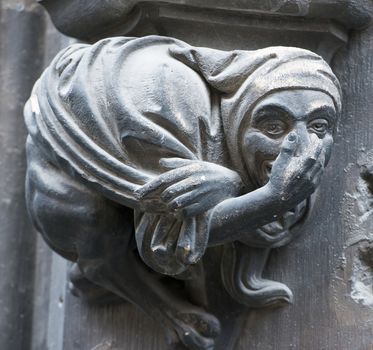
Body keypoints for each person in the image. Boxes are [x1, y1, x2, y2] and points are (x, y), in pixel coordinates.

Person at [24, 36, 341, 349]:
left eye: (318, 126)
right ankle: (144, 295)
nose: (300, 150)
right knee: (94, 220)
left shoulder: (238, 137)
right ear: (241, 113)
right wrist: (272, 198)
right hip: (63, 158)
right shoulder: (179, 111)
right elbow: (170, 243)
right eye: (273, 127)